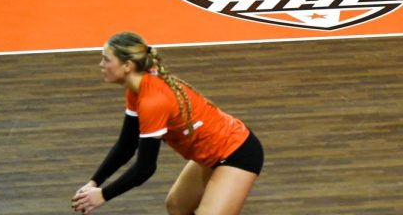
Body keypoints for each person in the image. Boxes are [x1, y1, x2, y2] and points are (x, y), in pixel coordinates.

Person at [71, 32, 262, 215]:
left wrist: (104, 195)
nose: (101, 64)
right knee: (176, 208)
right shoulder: (136, 89)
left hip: (237, 153)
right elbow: (126, 145)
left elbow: (145, 168)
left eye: (106, 59)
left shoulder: (153, 101)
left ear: (127, 65)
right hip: (210, 154)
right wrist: (95, 182)